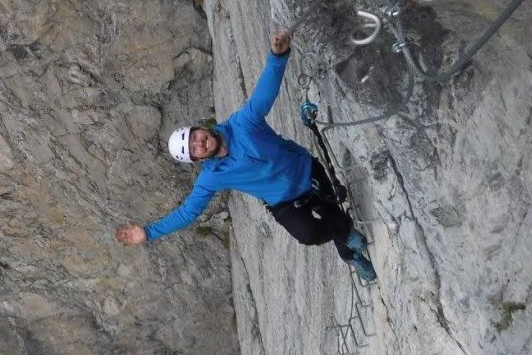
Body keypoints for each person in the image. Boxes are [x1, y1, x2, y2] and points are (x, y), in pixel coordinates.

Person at [115, 29, 376, 282]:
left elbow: (265, 93)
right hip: (282, 201)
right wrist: (147, 232)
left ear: (201, 128)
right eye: (193, 150)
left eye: (195, 137)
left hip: (307, 173)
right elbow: (187, 213)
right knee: (309, 234)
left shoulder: (243, 123)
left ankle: (351, 254)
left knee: (333, 215)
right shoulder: (211, 178)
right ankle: (348, 234)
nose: (199, 143)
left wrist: (277, 57)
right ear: (198, 160)